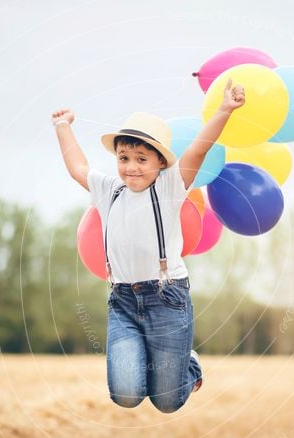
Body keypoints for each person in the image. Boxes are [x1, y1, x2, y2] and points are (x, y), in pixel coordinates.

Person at [52, 79, 246, 412]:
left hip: (167, 298)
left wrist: (225, 109)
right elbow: (78, 168)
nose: (131, 167)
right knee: (126, 395)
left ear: (160, 164)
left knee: (168, 402)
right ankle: (151, 358)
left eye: (142, 159)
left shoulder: (170, 185)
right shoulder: (109, 189)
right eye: (124, 157)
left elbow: (199, 148)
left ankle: (190, 365)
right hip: (123, 302)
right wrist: (62, 126)